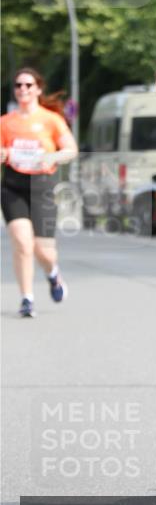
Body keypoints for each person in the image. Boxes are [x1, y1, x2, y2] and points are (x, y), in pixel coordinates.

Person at [1, 67, 78, 318]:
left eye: (28, 85)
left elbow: (71, 150)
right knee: (22, 243)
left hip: (42, 186)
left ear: (38, 89)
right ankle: (26, 298)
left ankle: (53, 275)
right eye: (18, 85)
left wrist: (52, 156)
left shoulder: (51, 119)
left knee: (43, 250)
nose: (23, 89)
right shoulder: (5, 122)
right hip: (13, 186)